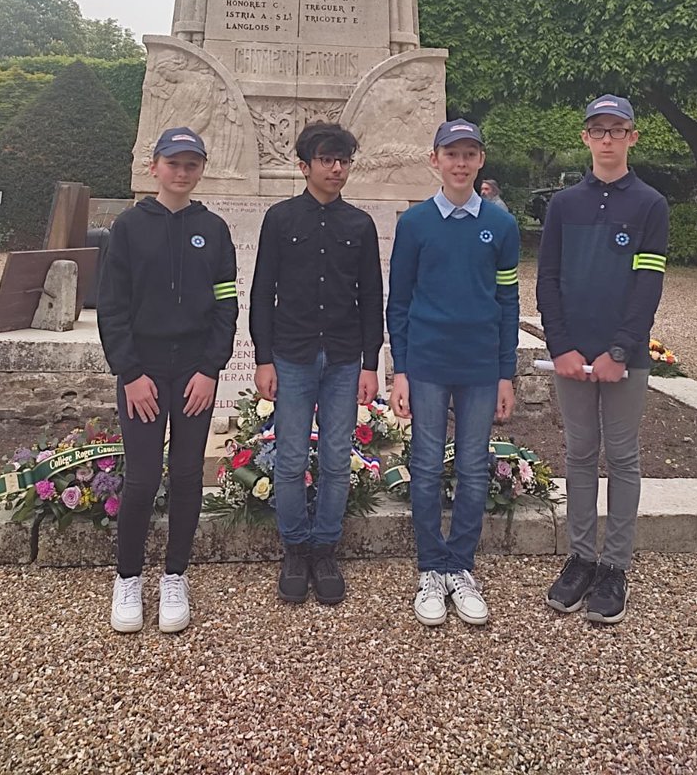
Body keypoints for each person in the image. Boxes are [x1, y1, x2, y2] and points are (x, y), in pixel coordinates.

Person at [98, 127, 238, 634]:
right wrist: (130, 373)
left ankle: (175, 575)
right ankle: (128, 578)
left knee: (184, 474)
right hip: (144, 371)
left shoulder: (214, 229)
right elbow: (112, 308)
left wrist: (210, 368)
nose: (182, 173)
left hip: (195, 371)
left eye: (191, 164)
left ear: (201, 169)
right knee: (140, 478)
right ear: (154, 166)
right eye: (173, 163)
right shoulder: (129, 228)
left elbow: (226, 305)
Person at [536, 95, 668, 625]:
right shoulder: (564, 204)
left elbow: (648, 283)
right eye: (598, 130)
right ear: (586, 137)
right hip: (572, 354)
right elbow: (547, 280)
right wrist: (561, 346)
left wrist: (619, 350)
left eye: (617, 129)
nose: (608, 138)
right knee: (580, 455)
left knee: (623, 458)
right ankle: (582, 558)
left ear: (633, 136)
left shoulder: (650, 205)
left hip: (624, 358)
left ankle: (615, 566)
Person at [387, 119, 520, 628]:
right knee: (425, 466)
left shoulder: (501, 226)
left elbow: (508, 301)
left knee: (472, 465)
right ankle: (430, 567)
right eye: (451, 154)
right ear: (434, 160)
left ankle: (460, 565)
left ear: (481, 160)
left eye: (469, 154)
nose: (460, 163)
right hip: (426, 362)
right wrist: (400, 369)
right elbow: (398, 302)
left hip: (481, 366)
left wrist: (507, 373)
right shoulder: (415, 223)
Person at [250, 121, 384, 606]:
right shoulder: (281, 219)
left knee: (334, 458)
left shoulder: (360, 225)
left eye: (344, 159)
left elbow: (372, 297)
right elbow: (263, 291)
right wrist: (263, 358)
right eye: (327, 159)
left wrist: (372, 364)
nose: (337, 168)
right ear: (304, 166)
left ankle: (325, 547)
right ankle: (295, 547)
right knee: (289, 458)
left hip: (345, 357)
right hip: (293, 354)